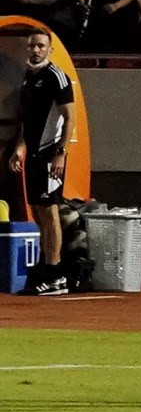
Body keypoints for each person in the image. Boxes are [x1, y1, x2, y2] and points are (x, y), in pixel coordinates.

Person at [9, 28, 76, 296]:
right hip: (34, 154)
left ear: (50, 49)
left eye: (40, 46)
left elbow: (69, 117)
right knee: (37, 211)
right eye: (32, 46)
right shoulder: (29, 76)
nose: (36, 50)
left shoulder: (56, 77)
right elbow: (28, 120)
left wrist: (61, 152)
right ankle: (46, 268)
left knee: (50, 212)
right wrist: (20, 147)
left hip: (50, 154)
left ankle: (55, 274)